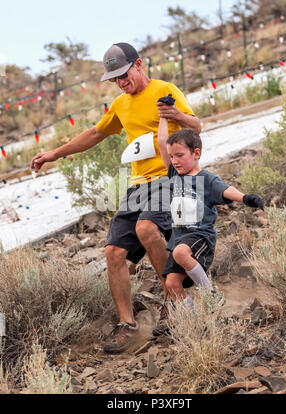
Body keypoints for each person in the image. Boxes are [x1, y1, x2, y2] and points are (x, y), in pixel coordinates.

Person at [30, 43, 202, 353]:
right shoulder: (121, 104)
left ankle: (177, 303)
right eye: (115, 79)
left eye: (124, 75)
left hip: (168, 177)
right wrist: (55, 153)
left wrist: (175, 113)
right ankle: (128, 325)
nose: (121, 83)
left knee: (147, 229)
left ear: (139, 65)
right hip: (138, 184)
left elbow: (197, 125)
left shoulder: (165, 89)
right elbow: (96, 134)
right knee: (113, 252)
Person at [153, 93, 264, 336]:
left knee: (182, 253)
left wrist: (245, 198)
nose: (175, 160)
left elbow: (226, 190)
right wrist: (164, 115)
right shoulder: (175, 175)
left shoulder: (206, 179)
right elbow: (162, 142)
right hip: (179, 239)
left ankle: (210, 295)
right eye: (172, 157)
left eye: (180, 155)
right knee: (172, 284)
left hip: (200, 237)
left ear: (196, 153)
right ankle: (195, 324)